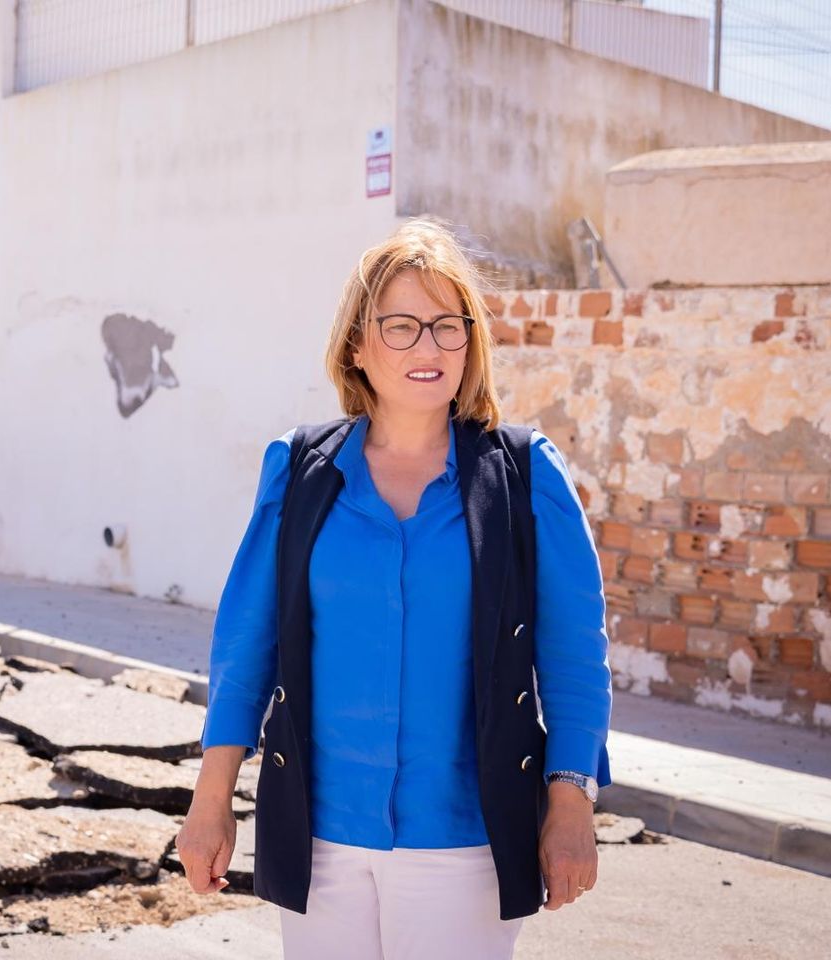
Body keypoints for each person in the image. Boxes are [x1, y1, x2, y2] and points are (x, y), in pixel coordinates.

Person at [176, 218, 612, 959]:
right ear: (357, 344)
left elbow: (572, 656)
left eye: (448, 325)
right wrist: (210, 799)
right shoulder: (300, 469)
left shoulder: (524, 474)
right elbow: (247, 645)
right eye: (401, 325)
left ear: (471, 342)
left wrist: (570, 799)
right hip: (320, 835)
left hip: (465, 843)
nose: (428, 347)